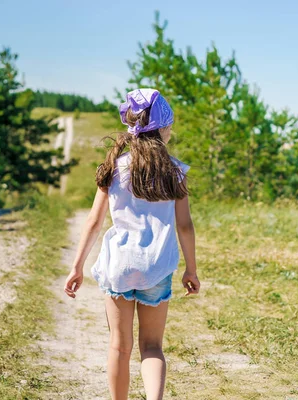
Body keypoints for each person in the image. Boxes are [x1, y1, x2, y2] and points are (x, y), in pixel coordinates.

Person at [64, 88, 200, 400]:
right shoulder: (175, 171)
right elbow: (184, 225)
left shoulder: (114, 167)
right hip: (156, 266)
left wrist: (77, 266)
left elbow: (94, 222)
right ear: (163, 131)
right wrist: (190, 269)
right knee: (152, 346)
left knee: (118, 345)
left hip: (118, 266)